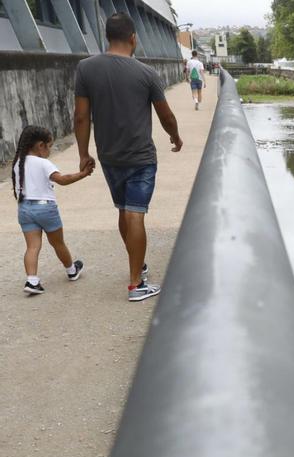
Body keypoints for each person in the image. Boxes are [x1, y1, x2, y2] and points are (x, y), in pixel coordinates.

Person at [74, 12, 182, 302]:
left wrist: (84, 153)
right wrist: (175, 136)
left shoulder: (85, 68)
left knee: (123, 209)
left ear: (107, 37)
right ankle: (136, 284)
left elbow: (81, 117)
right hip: (140, 156)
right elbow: (166, 115)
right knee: (136, 213)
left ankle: (138, 266)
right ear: (133, 38)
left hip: (108, 155)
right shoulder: (146, 73)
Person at [11, 126, 93, 295]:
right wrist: (83, 173)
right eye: (49, 146)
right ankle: (71, 270)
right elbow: (62, 180)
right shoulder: (43, 163)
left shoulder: (18, 163)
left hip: (25, 208)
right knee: (57, 243)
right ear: (41, 146)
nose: (50, 150)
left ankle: (32, 281)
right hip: (45, 208)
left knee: (32, 247)